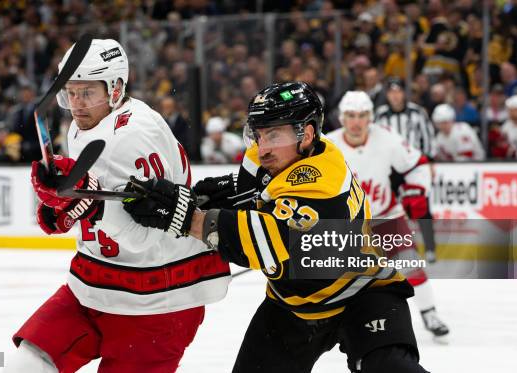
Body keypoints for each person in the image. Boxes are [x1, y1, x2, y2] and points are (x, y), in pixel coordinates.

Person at [122, 82, 430, 373]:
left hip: (362, 293)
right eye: (258, 134)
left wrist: (186, 217)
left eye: (274, 135)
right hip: (292, 305)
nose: (263, 147)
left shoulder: (323, 181)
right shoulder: (271, 155)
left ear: (307, 134)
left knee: (390, 370)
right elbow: (250, 195)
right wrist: (200, 196)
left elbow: (267, 240)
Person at [6, 38, 230, 373]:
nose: (77, 104)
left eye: (88, 93)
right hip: (95, 284)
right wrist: (61, 205)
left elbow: (145, 237)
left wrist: (88, 204)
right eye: (70, 92)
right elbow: (93, 199)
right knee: (27, 364)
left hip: (157, 301)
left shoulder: (134, 135)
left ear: (115, 89)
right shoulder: (84, 125)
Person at [326, 91, 450, 340]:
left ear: (371, 117)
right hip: (346, 224)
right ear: (342, 118)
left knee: (410, 264)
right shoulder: (327, 146)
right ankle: (332, 323)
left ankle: (429, 312)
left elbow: (418, 165)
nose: (357, 122)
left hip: (385, 215)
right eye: (351, 116)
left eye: (362, 115)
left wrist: (417, 191)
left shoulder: (387, 139)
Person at [375, 78, 438, 265]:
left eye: (398, 91)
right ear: (387, 94)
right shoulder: (381, 115)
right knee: (390, 210)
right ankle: (397, 248)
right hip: (390, 169)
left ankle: (430, 248)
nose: (395, 95)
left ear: (404, 93)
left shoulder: (417, 113)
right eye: (391, 92)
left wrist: (430, 163)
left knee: (421, 207)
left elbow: (428, 138)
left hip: (414, 168)